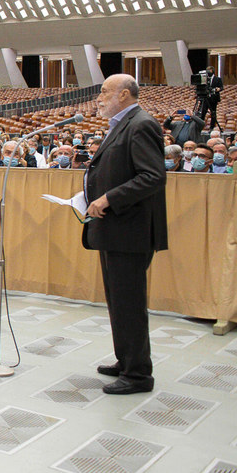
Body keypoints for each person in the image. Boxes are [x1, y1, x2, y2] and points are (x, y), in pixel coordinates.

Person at [84, 74, 167, 395]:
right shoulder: (122, 124)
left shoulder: (140, 123)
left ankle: (138, 375)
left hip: (129, 230)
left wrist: (108, 198)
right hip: (115, 229)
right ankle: (126, 360)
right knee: (119, 302)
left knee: (129, 303)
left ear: (124, 94)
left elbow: (153, 176)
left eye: (104, 92)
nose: (99, 98)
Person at [204, 66, 223, 131]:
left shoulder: (218, 79)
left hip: (213, 98)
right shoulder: (205, 79)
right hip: (205, 98)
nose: (208, 71)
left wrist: (218, 89)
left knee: (213, 113)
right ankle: (200, 126)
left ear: (212, 70)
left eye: (209, 70)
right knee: (203, 112)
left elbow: (221, 87)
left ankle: (212, 127)